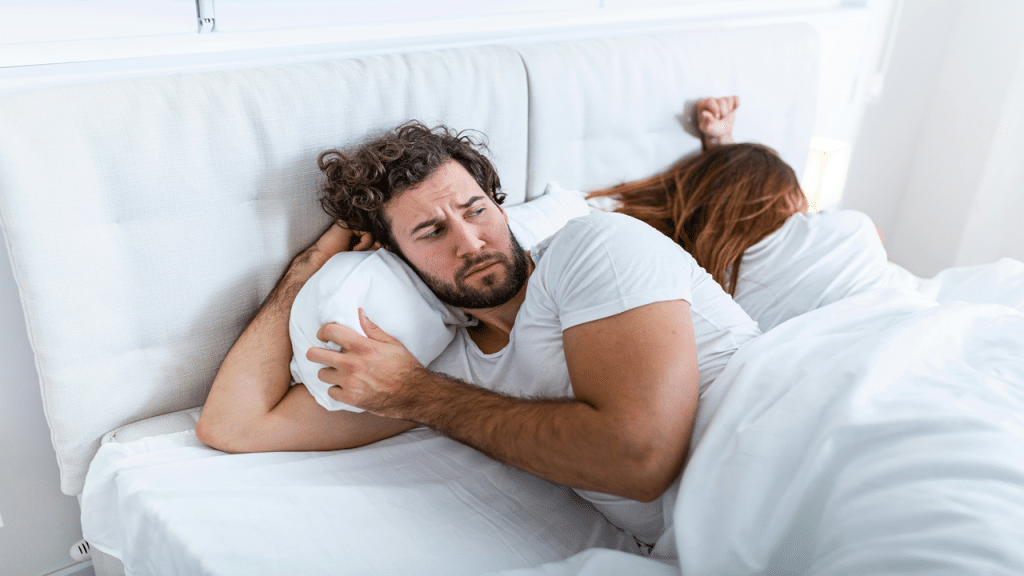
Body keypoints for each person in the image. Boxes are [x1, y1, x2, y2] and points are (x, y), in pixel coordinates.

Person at [196, 121, 761, 547]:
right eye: (432, 231)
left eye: (477, 209)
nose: (471, 242)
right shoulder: (437, 367)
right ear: (393, 255)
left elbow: (638, 461)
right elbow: (234, 424)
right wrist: (306, 269)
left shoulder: (596, 248)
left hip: (788, 441)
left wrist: (413, 394)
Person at [588, 96, 917, 332]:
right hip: (907, 324)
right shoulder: (851, 228)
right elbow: (876, 236)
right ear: (787, 198)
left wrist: (723, 147)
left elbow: (732, 201)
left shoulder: (718, 284)